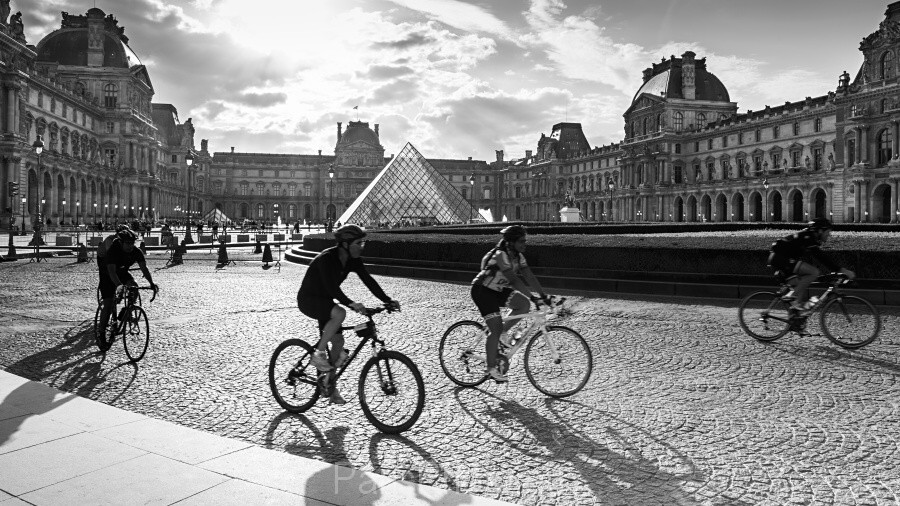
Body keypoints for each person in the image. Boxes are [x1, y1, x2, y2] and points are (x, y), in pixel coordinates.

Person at [296, 224, 400, 404]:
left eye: (362, 243)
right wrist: (352, 304)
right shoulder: (327, 259)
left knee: (338, 343)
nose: (362, 246)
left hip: (325, 302)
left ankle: (329, 386)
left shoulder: (353, 260)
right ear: (345, 244)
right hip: (309, 300)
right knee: (340, 313)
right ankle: (318, 355)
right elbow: (331, 288)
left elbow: (368, 280)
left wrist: (387, 300)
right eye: (358, 243)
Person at [471, 225, 547, 383]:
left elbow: (530, 277)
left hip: (497, 290)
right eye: (521, 241)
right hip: (482, 291)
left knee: (523, 305)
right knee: (496, 328)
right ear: (511, 242)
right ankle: (491, 369)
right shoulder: (501, 255)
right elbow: (514, 280)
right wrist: (534, 298)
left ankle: (502, 333)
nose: (524, 244)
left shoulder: (519, 257)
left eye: (525, 241)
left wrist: (543, 296)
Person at [768, 218, 855, 314]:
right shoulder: (808, 237)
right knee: (814, 272)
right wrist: (841, 270)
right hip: (780, 259)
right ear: (820, 231)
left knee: (800, 285)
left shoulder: (808, 237)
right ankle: (790, 295)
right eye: (828, 232)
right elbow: (821, 257)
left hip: (779, 259)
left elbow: (816, 257)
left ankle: (794, 319)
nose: (829, 235)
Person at [97, 227, 158, 341]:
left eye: (132, 243)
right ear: (121, 243)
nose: (130, 246)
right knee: (109, 304)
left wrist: (152, 283)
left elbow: (144, 268)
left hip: (122, 271)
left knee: (134, 287)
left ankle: (125, 312)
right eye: (128, 243)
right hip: (107, 274)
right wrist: (119, 286)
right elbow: (111, 271)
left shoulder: (135, 251)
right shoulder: (113, 251)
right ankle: (101, 333)